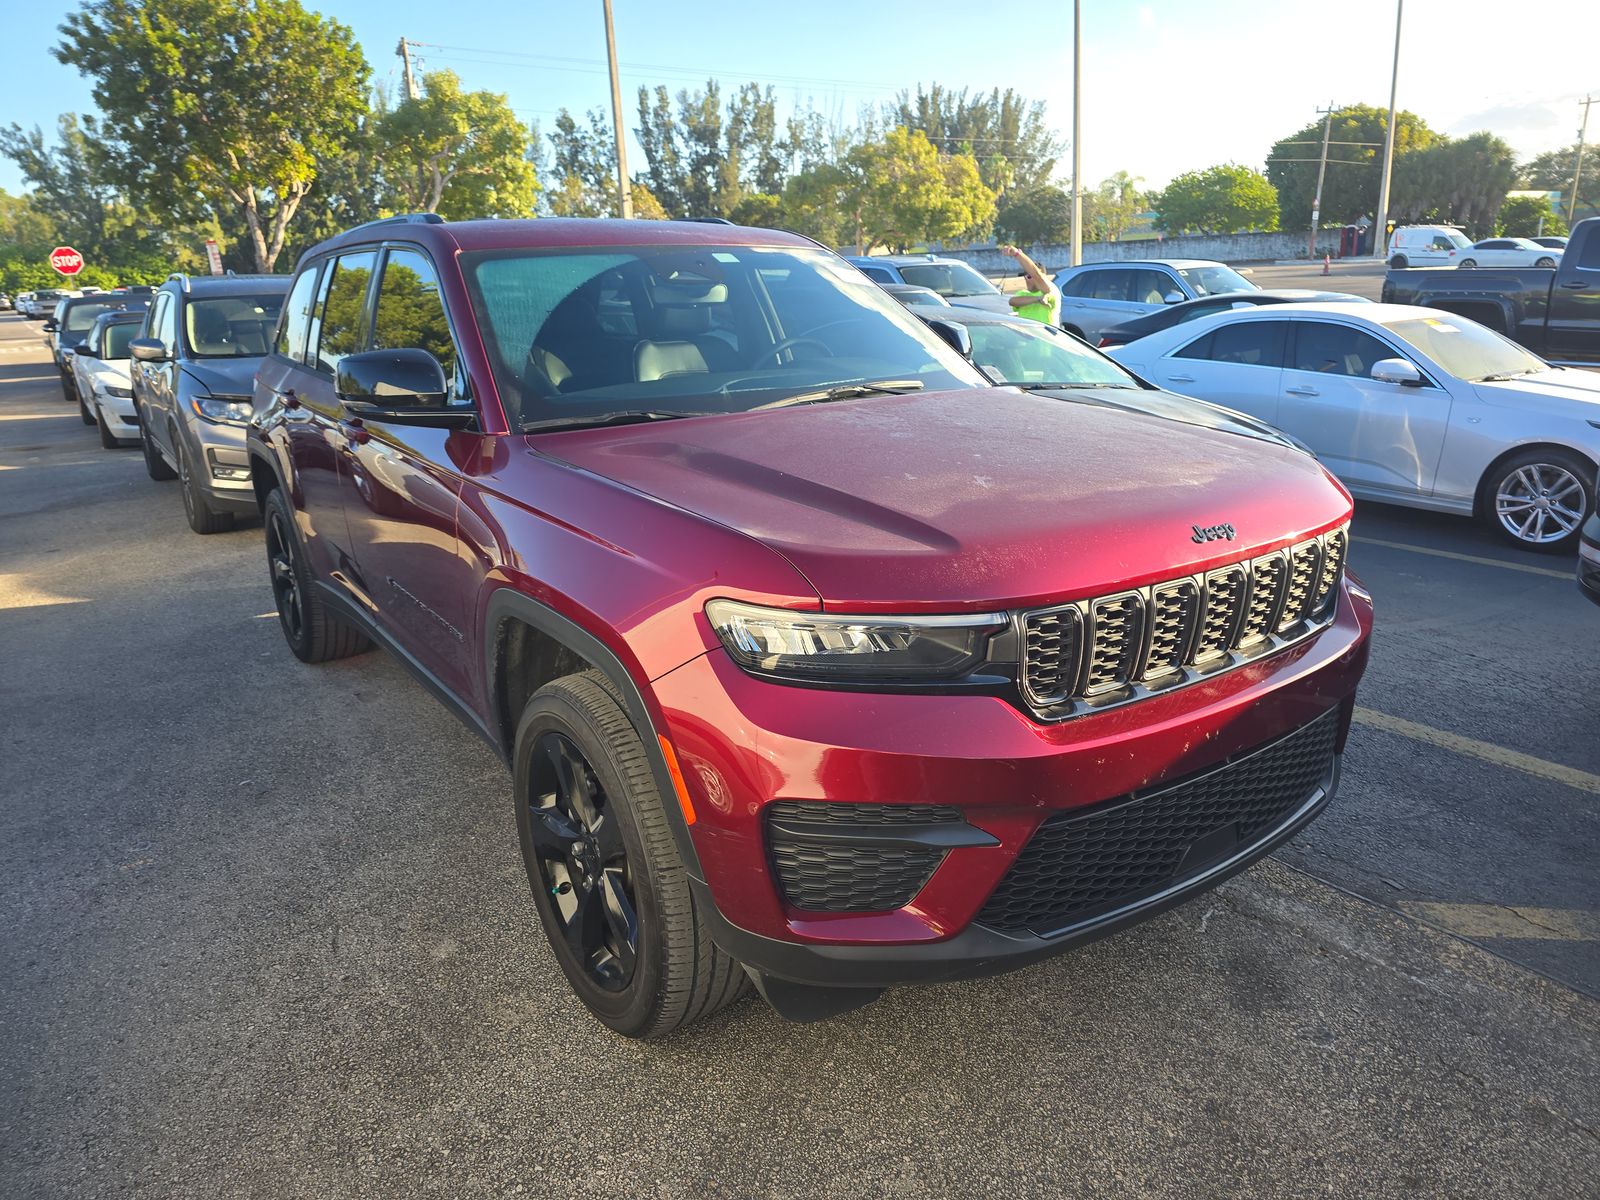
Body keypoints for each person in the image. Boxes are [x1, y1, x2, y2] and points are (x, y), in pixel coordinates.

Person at [999, 244, 1061, 326]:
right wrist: (1037, 299)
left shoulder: (1051, 291)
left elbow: (1037, 275)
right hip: (1025, 338)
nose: (1027, 280)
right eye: (1026, 276)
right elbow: (1012, 301)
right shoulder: (1023, 293)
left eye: (1030, 276)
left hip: (1045, 338)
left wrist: (1017, 254)